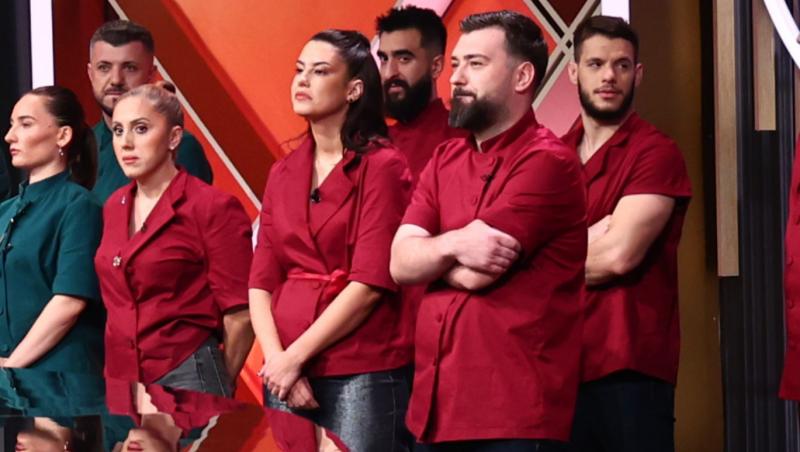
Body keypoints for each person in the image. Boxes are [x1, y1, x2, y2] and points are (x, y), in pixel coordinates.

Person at [390, 11, 586, 451]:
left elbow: (478, 274)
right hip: (434, 409)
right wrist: (458, 243)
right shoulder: (444, 159)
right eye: (456, 64)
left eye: (475, 64)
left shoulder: (547, 161)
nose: (456, 78)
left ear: (522, 76)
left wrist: (430, 255)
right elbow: (399, 263)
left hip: (511, 413)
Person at [249, 29, 414, 451]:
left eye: (320, 71)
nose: (302, 80)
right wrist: (277, 360)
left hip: (360, 363)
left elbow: (370, 283)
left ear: (353, 89)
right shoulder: (283, 172)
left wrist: (295, 358)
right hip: (285, 368)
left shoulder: (383, 167)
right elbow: (260, 281)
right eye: (299, 70)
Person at [560, 16, 692, 452]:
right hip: (556, 365)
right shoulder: (551, 156)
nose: (608, 76)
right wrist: (591, 236)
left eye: (621, 65)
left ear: (638, 74)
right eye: (595, 64)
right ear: (573, 71)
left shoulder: (656, 153)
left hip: (628, 370)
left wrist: (542, 261)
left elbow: (618, 256)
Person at [94, 83, 253, 397]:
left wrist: (220, 384)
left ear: (174, 137)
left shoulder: (211, 206)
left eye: (141, 129)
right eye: (118, 130)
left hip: (186, 372)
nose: (126, 142)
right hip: (120, 378)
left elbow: (242, 314)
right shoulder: (114, 205)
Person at [0, 86, 104, 373]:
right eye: (12, 125)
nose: (10, 136)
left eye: (25, 124)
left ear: (63, 135)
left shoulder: (80, 206)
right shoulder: (5, 212)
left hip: (60, 380)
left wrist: (12, 366)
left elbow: (70, 300)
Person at [87, 20, 212, 203]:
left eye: (130, 68)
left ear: (151, 74)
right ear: (91, 74)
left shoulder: (178, 146)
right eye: (104, 67)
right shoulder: (78, 148)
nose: (116, 79)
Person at [376, 6, 465, 185]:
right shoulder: (371, 143)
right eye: (384, 59)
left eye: (404, 59)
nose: (388, 73)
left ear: (436, 67)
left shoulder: (464, 141)